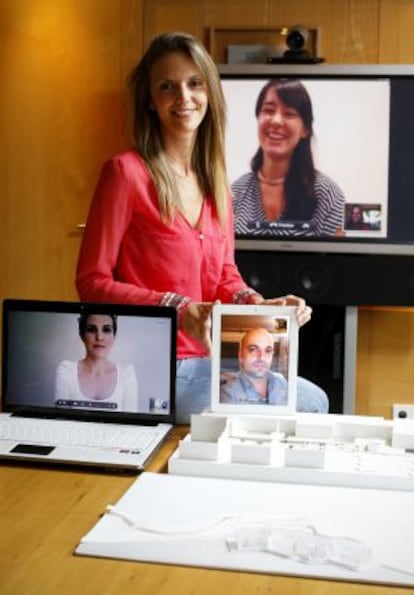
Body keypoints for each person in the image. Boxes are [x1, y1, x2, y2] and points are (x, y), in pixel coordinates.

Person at [75, 32, 328, 423]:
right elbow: (91, 281)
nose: (184, 98)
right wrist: (177, 307)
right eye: (167, 86)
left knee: (308, 400)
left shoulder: (217, 187)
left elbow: (224, 276)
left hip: (208, 360)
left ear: (209, 91)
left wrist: (258, 304)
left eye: (195, 83)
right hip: (154, 365)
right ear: (150, 99)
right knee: (309, 404)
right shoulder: (125, 173)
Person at [232, 78, 345, 237]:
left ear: (305, 129)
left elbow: (337, 260)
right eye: (269, 110)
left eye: (289, 113)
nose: (276, 121)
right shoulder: (235, 192)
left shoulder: (327, 194)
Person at [55, 311, 139, 412]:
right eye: (91, 330)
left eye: (106, 330)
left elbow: (130, 423)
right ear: (82, 335)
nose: (99, 337)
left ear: (114, 336)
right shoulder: (66, 371)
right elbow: (61, 419)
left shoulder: (127, 374)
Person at [220, 328, 288, 406]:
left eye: (268, 351)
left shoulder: (281, 382)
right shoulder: (228, 392)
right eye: (253, 349)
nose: (261, 357)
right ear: (240, 355)